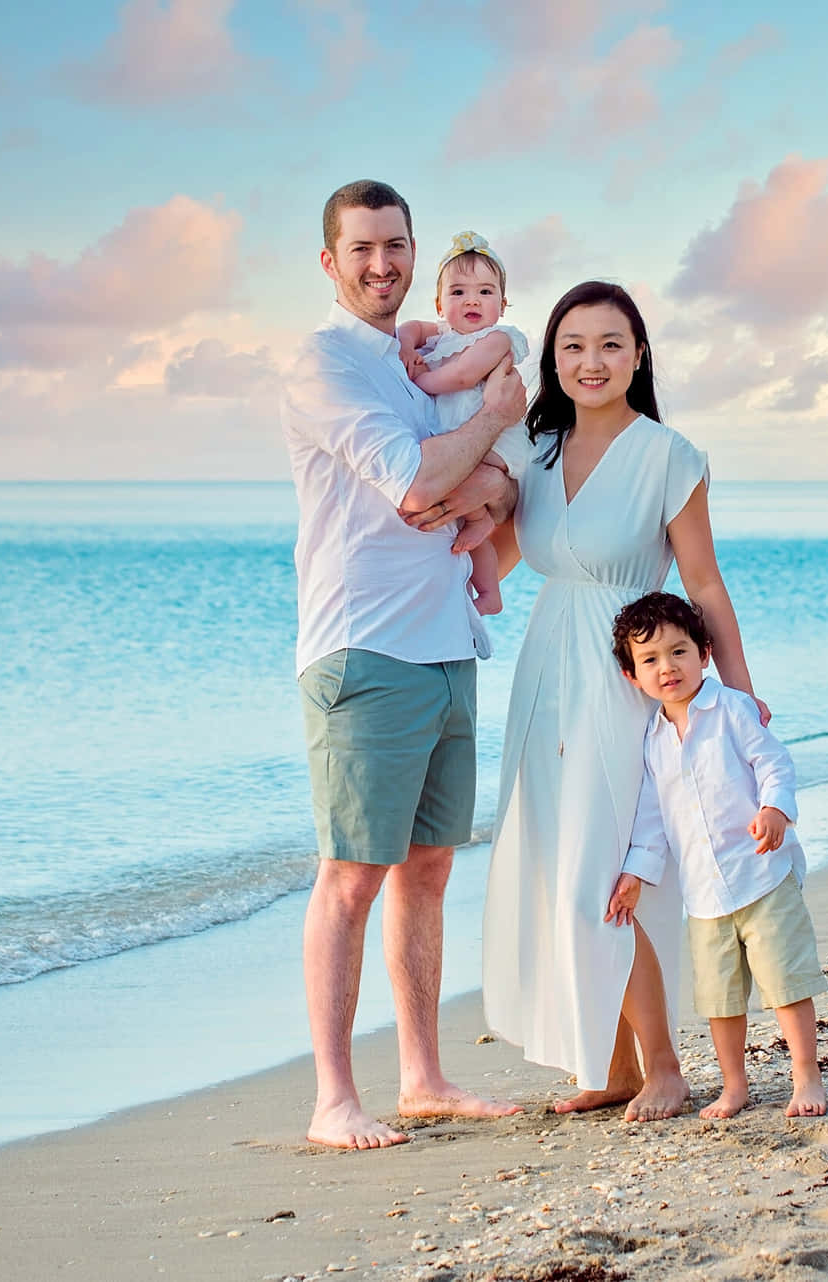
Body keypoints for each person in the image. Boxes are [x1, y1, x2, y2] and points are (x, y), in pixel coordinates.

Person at [481, 280, 770, 1122]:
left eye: (610, 344)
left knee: (605, 874)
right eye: (572, 346)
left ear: (639, 355)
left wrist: (740, 694)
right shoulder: (529, 449)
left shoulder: (667, 456)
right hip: (544, 673)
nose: (591, 361)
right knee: (551, 865)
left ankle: (666, 1068)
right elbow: (492, 561)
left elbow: (704, 583)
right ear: (552, 359)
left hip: (624, 675)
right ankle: (606, 1066)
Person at [281, 179, 526, 1149]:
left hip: (446, 646)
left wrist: (491, 471)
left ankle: (421, 1076)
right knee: (351, 873)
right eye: (363, 247)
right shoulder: (324, 364)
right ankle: (334, 1099)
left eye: (396, 245)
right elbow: (418, 483)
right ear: (331, 261)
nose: (382, 263)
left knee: (426, 868)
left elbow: (472, 491)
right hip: (362, 648)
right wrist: (491, 425)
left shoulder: (423, 355)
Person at [608, 591, 828, 1119]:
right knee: (719, 998)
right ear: (631, 676)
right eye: (651, 660)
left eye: (679, 652)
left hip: (761, 874)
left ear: (704, 653)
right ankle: (735, 1086)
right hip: (704, 894)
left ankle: (807, 1076)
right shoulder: (653, 740)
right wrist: (636, 871)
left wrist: (775, 809)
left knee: (786, 982)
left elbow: (773, 763)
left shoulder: (731, 708)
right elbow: (651, 816)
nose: (668, 668)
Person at [394, 231, 530, 618]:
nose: (472, 300)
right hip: (466, 442)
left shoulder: (498, 338)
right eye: (457, 292)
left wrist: (419, 380)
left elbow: (464, 377)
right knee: (470, 519)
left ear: (502, 305)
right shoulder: (443, 335)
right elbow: (411, 329)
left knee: (470, 496)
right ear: (440, 303)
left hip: (497, 445)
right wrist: (405, 346)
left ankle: (488, 581)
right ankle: (488, 590)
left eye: (485, 292)